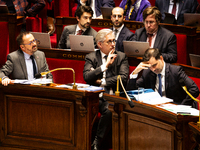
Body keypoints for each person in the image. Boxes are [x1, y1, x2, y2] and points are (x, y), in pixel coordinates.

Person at [83, 29, 129, 150]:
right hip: (95, 97)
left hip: (113, 96)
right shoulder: (91, 57)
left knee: (109, 110)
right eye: (109, 41)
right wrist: (105, 66)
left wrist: (101, 81)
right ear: (100, 44)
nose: (113, 44)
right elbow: (87, 77)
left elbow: (123, 78)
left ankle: (96, 142)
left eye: (114, 41)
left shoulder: (121, 57)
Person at [126, 48, 199, 107]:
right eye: (150, 67)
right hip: (156, 108)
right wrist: (134, 73)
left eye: (154, 65)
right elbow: (132, 92)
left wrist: (182, 106)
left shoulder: (175, 71)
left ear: (161, 58)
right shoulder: (148, 72)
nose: (153, 69)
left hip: (174, 107)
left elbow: (194, 89)